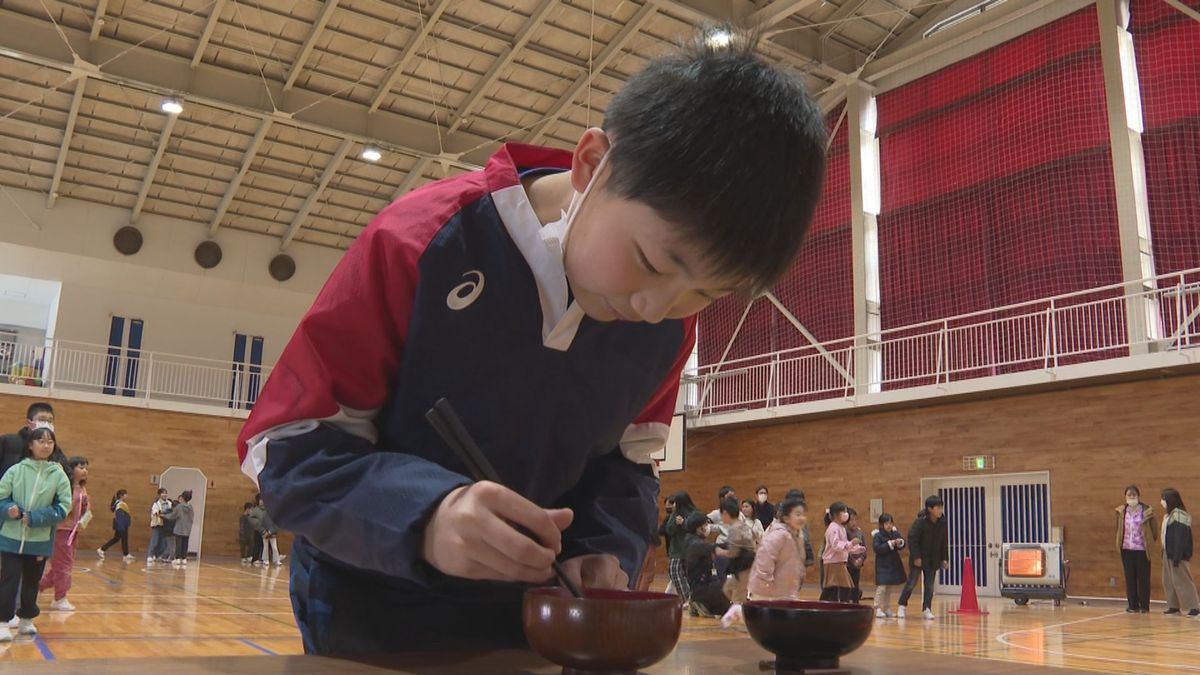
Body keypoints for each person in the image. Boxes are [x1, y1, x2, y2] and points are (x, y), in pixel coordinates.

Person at [234, 26, 827, 655]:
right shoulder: (421, 242)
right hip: (365, 618)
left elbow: (626, 467)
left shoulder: (670, 325)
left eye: (707, 293)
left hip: (537, 630)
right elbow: (286, 450)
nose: (659, 307)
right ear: (592, 165)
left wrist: (603, 550)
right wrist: (426, 515)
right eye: (652, 262)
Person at [0, 427, 71, 641]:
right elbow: (1, 497)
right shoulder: (16, 470)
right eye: (40, 441)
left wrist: (36, 517)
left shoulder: (58, 474)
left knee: (32, 582)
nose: (46, 445)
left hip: (39, 540)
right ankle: (3, 621)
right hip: (11, 539)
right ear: (30, 445)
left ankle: (26, 620)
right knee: (9, 580)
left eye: (50, 442)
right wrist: (8, 509)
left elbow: (64, 506)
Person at [39, 456, 89, 611]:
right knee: (63, 566)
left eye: (86, 467)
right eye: (81, 467)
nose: (85, 470)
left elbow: (84, 511)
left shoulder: (82, 489)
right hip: (61, 531)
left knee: (61, 566)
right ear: (71, 469)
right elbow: (61, 508)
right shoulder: (64, 487)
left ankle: (36, 586)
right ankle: (60, 597)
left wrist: (85, 514)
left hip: (74, 532)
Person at [898, 495, 949, 620]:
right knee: (912, 582)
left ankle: (927, 608)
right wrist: (916, 556)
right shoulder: (920, 522)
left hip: (933, 558)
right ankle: (902, 605)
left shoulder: (942, 522)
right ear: (930, 509)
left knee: (929, 585)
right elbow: (912, 539)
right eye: (938, 507)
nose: (940, 510)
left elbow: (944, 541)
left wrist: (944, 558)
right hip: (919, 558)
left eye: (941, 507)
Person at [682, 512, 734, 618]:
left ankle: (701, 604)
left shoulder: (692, 540)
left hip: (704, 581)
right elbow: (715, 549)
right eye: (705, 525)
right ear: (698, 528)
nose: (707, 527)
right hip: (700, 586)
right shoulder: (695, 544)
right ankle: (700, 604)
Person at [1116, 485, 1157, 613]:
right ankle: (1132, 605)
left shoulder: (1146, 511)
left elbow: (1154, 530)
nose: (1132, 497)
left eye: (1134, 495)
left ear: (1138, 497)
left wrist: (1148, 542)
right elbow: (1118, 529)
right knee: (1130, 577)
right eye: (1129, 495)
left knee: (1143, 578)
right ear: (1125, 497)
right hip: (1126, 549)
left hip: (1142, 549)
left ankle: (1144, 605)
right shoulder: (1121, 511)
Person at [1159, 488, 1198, 617]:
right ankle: (1174, 606)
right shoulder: (1168, 515)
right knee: (1169, 581)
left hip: (1177, 555)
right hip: (1167, 553)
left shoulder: (1180, 515)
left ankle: (1194, 607)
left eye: (1164, 499)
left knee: (1183, 581)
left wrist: (1177, 556)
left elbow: (1180, 537)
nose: (1162, 501)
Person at [820, 502, 865, 603]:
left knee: (835, 587)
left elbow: (845, 545)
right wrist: (851, 544)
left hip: (839, 561)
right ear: (836, 514)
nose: (846, 514)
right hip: (832, 562)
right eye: (843, 511)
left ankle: (836, 605)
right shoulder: (833, 528)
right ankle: (839, 605)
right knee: (839, 587)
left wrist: (856, 548)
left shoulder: (841, 528)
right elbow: (836, 545)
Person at [665, 491, 700, 603]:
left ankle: (693, 601)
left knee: (691, 576)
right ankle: (688, 599)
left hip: (690, 550)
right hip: (676, 551)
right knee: (674, 573)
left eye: (675, 502)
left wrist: (684, 523)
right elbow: (668, 530)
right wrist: (675, 523)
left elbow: (698, 529)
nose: (673, 505)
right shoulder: (674, 515)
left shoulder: (695, 514)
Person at [719, 500, 757, 604]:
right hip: (746, 565)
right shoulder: (744, 526)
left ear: (725, 513)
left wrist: (719, 551)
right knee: (727, 589)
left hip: (743, 566)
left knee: (738, 598)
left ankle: (741, 616)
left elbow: (733, 553)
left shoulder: (734, 529)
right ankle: (743, 611)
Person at [872, 513, 907, 618]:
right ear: (881, 524)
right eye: (886, 523)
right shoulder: (877, 535)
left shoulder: (894, 533)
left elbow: (902, 545)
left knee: (889, 588)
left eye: (891, 523)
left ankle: (886, 608)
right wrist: (890, 544)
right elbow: (877, 549)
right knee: (881, 587)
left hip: (893, 563)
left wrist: (900, 542)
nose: (889, 525)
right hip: (882, 565)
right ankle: (877, 607)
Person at [98, 489, 134, 562]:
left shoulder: (120, 503)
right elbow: (119, 516)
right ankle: (126, 554)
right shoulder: (120, 504)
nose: (127, 496)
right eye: (125, 494)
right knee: (124, 539)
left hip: (122, 524)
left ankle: (102, 549)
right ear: (121, 495)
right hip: (121, 525)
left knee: (116, 539)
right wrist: (121, 526)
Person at [846, 507, 866, 603]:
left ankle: (855, 603)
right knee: (847, 586)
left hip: (857, 565)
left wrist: (861, 559)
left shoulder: (860, 532)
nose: (854, 522)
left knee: (856, 585)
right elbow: (845, 549)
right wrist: (853, 561)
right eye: (851, 520)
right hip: (847, 565)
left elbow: (864, 548)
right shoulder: (844, 532)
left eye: (855, 519)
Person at [148, 488, 173, 564]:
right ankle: (150, 555)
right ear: (159, 495)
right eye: (163, 493)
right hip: (157, 524)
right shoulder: (156, 504)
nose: (164, 494)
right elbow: (156, 513)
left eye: (166, 493)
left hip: (166, 525)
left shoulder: (169, 503)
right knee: (155, 541)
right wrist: (163, 514)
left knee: (163, 542)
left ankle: (159, 555)